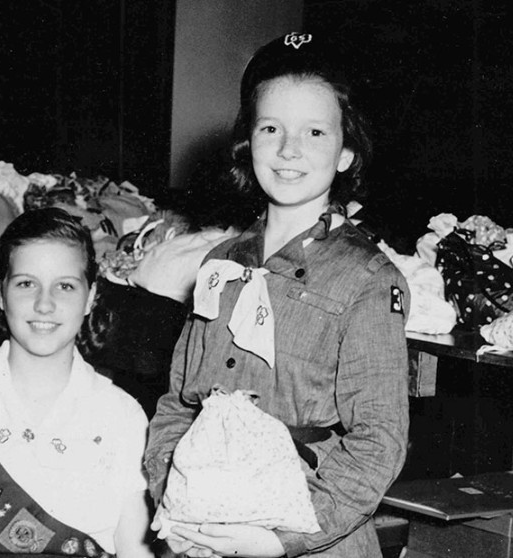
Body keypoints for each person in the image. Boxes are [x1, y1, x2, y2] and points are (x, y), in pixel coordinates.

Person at [143, 32, 411, 558]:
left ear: (345, 152)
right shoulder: (220, 263)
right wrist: (174, 502)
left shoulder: (368, 279)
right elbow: (178, 405)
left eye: (314, 131)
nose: (289, 150)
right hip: (203, 527)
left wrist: (275, 539)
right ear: (249, 142)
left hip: (309, 534)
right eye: (272, 128)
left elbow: (379, 443)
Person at [0, 207, 153, 558]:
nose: (44, 304)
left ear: (91, 297)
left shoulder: (122, 415)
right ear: (1, 293)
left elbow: (133, 549)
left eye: (65, 286)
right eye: (26, 283)